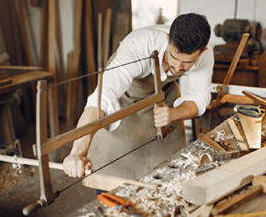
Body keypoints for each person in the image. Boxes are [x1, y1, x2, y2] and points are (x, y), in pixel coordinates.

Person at [63, 13, 214, 181]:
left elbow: (199, 98)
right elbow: (101, 99)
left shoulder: (205, 55)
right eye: (174, 57)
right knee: (110, 160)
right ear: (167, 39)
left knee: (167, 171)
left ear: (203, 52)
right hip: (126, 97)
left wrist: (173, 114)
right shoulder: (138, 46)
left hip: (163, 95)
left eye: (187, 62)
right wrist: (77, 152)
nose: (178, 67)